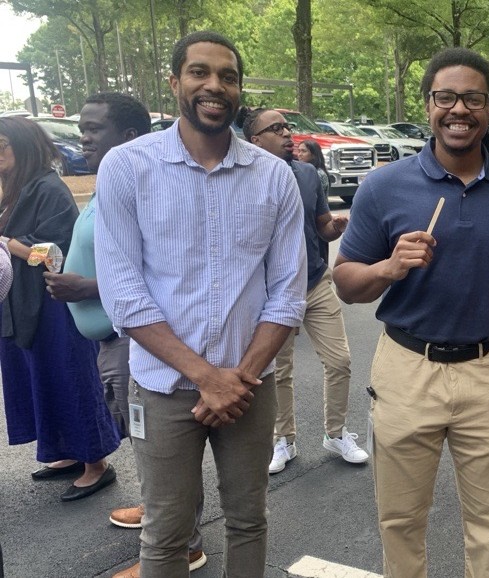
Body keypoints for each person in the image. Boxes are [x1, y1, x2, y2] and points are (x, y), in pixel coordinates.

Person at [94, 31, 306, 576]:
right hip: (163, 389)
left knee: (248, 520)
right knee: (164, 533)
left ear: (239, 90)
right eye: (199, 72)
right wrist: (205, 377)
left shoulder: (273, 176)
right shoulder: (127, 166)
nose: (214, 85)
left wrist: (236, 379)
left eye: (228, 76)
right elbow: (123, 291)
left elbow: (286, 292)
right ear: (175, 82)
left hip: (248, 388)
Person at [334, 46, 489, 578]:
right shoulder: (385, 186)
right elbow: (345, 284)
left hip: (487, 371)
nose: (459, 109)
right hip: (407, 369)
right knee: (401, 519)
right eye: (446, 97)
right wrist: (388, 267)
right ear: (428, 104)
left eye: (473, 98)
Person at [42, 92, 208, 576]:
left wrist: (84, 286)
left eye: (94, 129)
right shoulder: (108, 183)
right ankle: (161, 514)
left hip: (136, 340)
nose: (83, 138)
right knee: (145, 443)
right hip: (109, 339)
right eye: (82, 128)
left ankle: (182, 544)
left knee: (159, 439)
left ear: (130, 137)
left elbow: (164, 272)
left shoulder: (152, 186)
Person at [239, 107, 368, 473]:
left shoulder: (309, 174)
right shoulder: (245, 180)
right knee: (279, 371)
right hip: (270, 293)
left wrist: (335, 228)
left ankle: (336, 432)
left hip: (314, 281)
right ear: (255, 140)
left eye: (287, 126)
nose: (286, 132)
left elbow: (321, 225)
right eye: (275, 128)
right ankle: (285, 440)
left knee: (340, 360)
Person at [0, 117, 121, 502]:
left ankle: (96, 464)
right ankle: (66, 453)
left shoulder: (49, 188)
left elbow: (55, 252)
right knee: (41, 381)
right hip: (20, 302)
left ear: (22, 147)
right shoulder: (13, 189)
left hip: (52, 303)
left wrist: (9, 242)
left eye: (2, 145)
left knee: (70, 379)